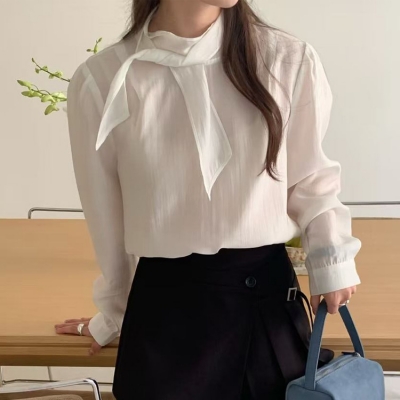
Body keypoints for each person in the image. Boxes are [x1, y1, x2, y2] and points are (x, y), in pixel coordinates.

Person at [55, 0, 362, 399]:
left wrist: (331, 261)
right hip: (165, 321)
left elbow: (310, 180)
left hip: (266, 313)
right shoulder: (102, 80)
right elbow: (107, 221)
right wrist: (115, 314)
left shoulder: (286, 60)